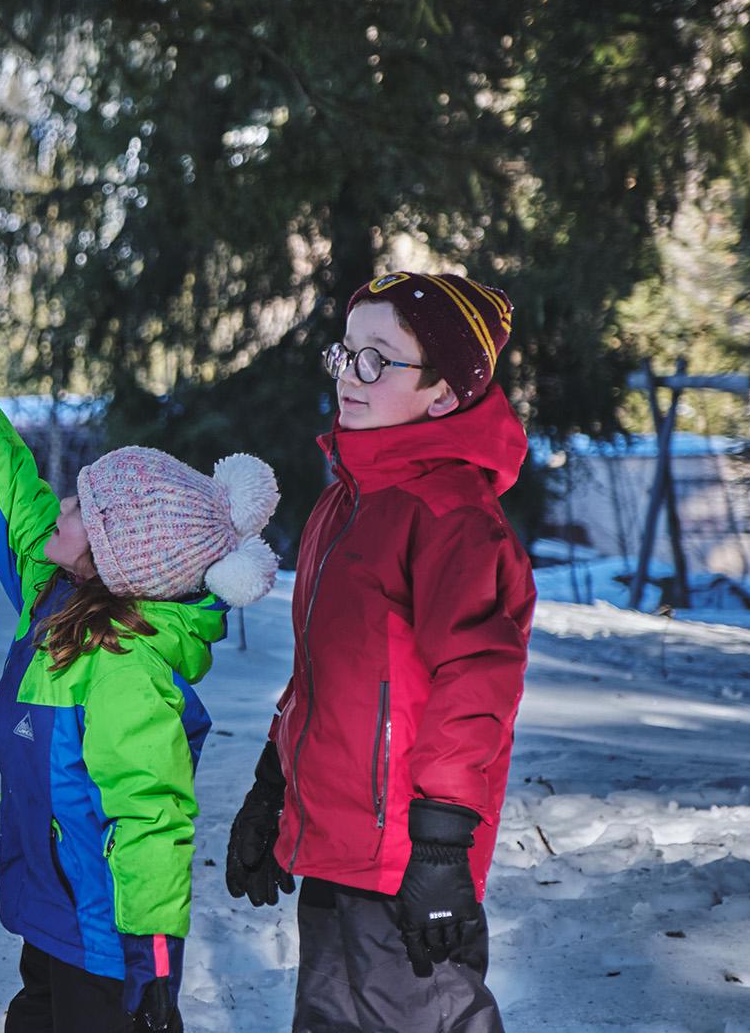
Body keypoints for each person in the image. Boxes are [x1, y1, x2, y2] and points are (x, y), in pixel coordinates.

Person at [0, 325, 281, 1033]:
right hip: (51, 917)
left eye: (79, 510)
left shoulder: (125, 666)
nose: (60, 507)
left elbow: (152, 814)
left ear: (110, 561)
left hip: (111, 948)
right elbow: (14, 499)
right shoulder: (55, 595)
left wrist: (155, 962)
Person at [224, 272, 535, 1032]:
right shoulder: (347, 501)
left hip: (405, 853)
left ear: (442, 393)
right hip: (332, 842)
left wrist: (440, 842)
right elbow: (321, 675)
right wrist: (274, 787)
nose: (350, 376)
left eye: (378, 359)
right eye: (347, 352)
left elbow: (476, 681)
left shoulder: (451, 514)